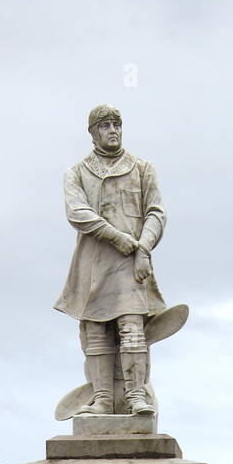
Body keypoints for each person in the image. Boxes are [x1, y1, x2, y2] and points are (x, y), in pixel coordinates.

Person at [54, 104, 167, 414]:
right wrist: (118, 237)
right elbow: (78, 213)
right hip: (92, 263)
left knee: (132, 329)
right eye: (104, 126)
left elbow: (155, 213)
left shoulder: (142, 168)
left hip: (131, 264)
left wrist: (143, 247)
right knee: (96, 332)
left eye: (116, 124)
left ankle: (135, 397)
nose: (112, 130)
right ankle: (103, 399)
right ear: (93, 133)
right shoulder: (77, 172)